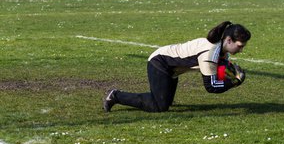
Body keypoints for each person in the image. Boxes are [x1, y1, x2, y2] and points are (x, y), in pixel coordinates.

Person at [103, 21, 251, 113]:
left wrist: (228, 73)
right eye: (240, 46)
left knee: (164, 103)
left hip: (171, 67)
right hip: (160, 63)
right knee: (158, 106)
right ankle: (116, 95)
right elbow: (211, 86)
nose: (241, 50)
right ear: (229, 40)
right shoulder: (210, 53)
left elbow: (218, 77)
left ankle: (159, 96)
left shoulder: (221, 49)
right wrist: (235, 82)